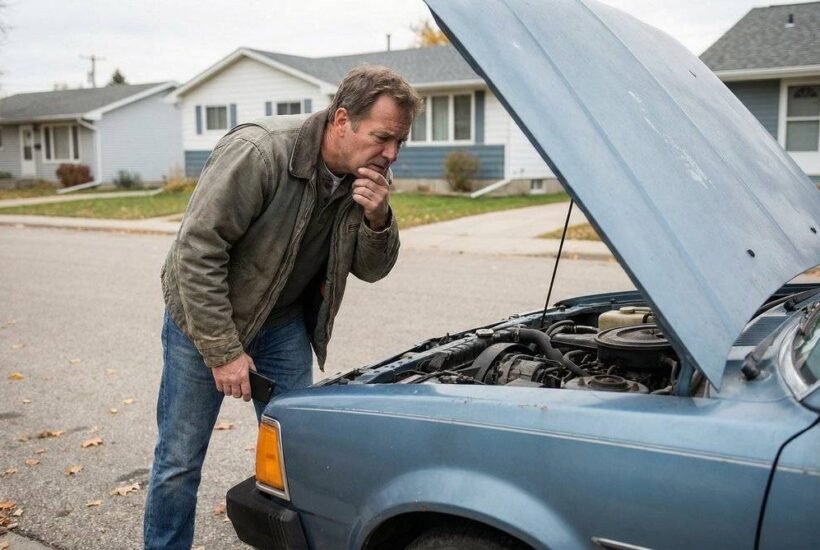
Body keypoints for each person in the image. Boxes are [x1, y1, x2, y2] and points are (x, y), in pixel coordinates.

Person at [143, 65, 422, 549]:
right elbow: (196, 253)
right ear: (341, 120)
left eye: (400, 141)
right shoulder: (260, 152)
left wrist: (378, 217)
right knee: (179, 461)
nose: (391, 154)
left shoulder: (368, 176)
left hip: (282, 324)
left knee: (298, 456)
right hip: (205, 318)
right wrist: (223, 350)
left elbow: (372, 269)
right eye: (383, 137)